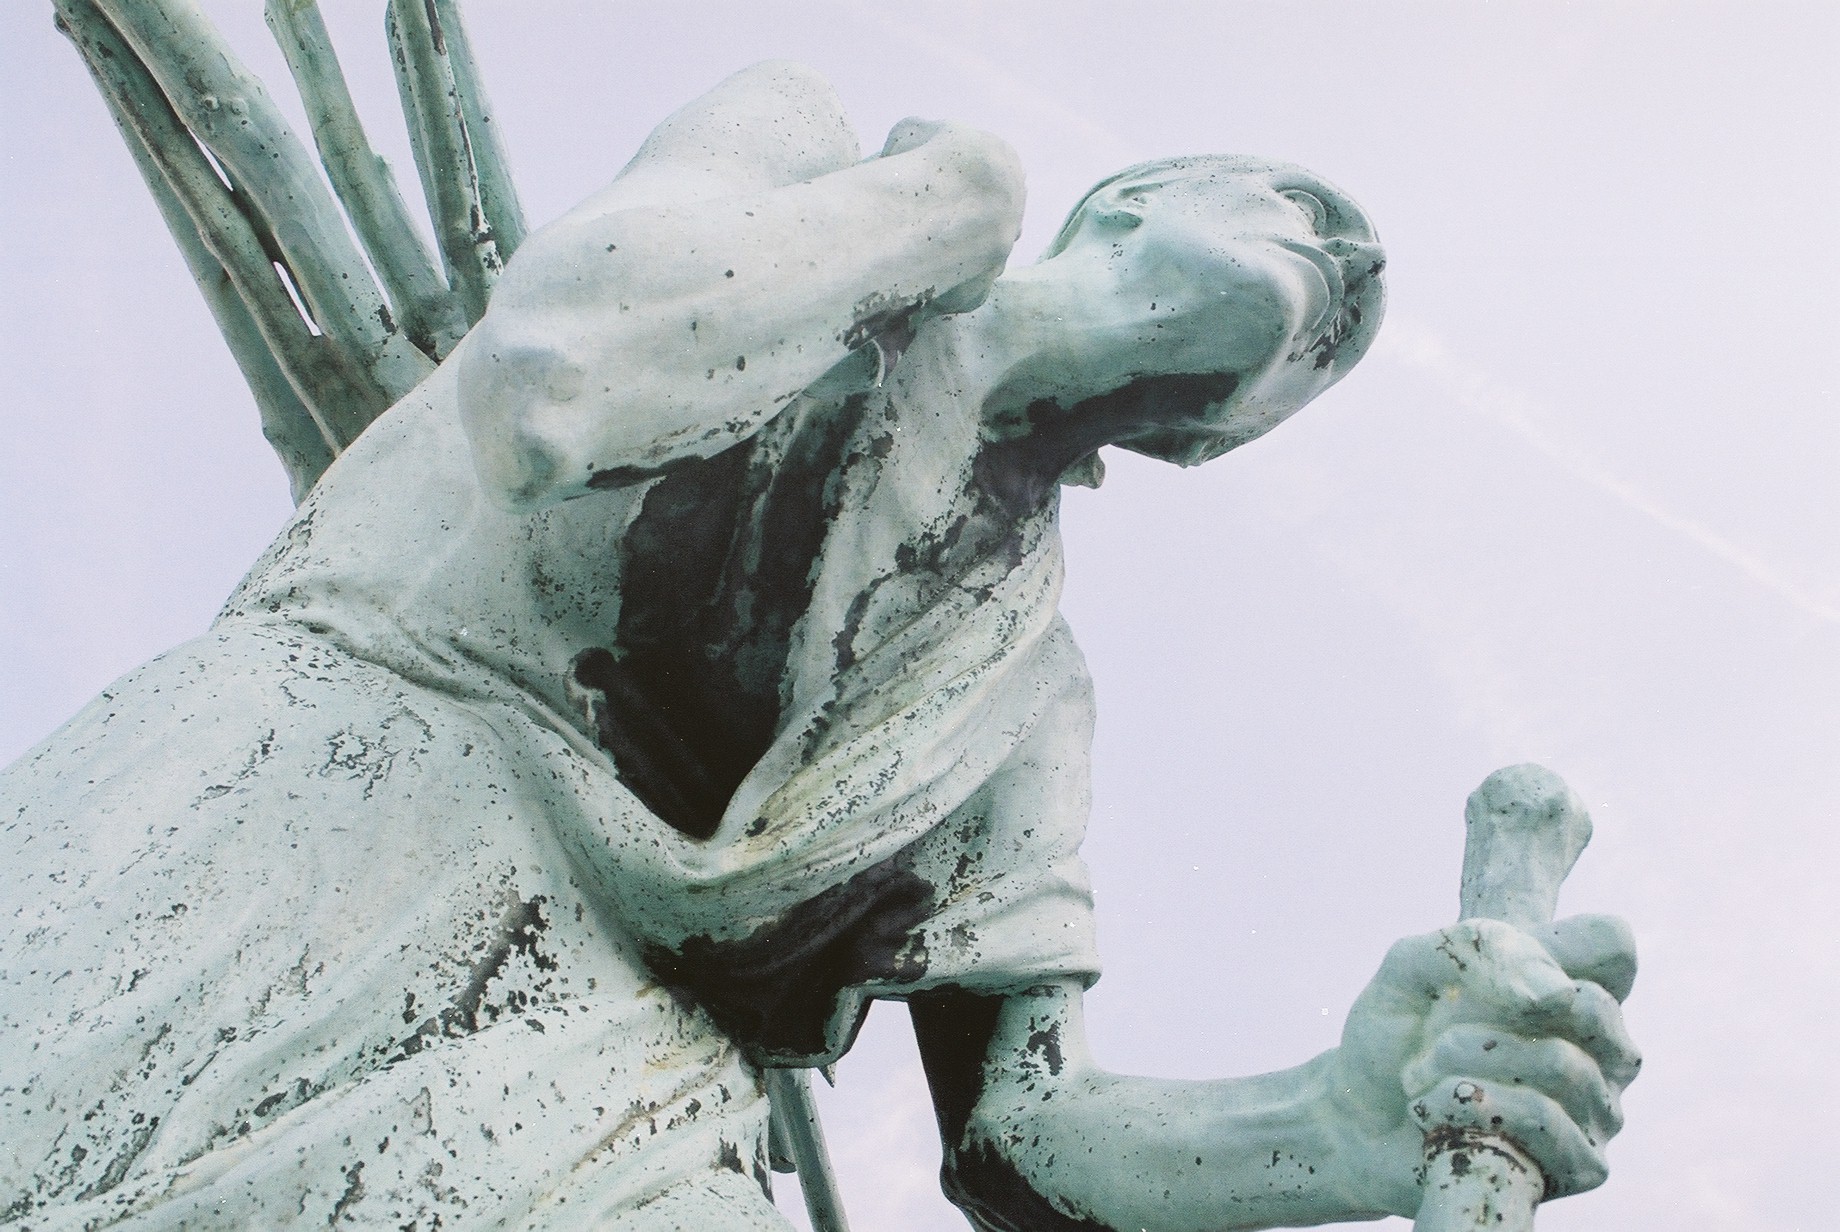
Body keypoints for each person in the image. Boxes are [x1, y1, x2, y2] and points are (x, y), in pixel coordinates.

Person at [0, 62, 1636, 1230]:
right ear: (1128, 200)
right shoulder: (802, 167)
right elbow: (559, 375)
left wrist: (1331, 1123)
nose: (1345, 280)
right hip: (307, 812)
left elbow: (1025, 1131)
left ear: (1217, 443)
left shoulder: (1027, 687)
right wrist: (949, 204)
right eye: (1300, 219)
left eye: (1333, 349)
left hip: (611, 1076)